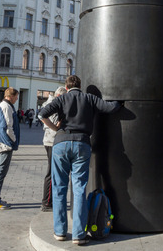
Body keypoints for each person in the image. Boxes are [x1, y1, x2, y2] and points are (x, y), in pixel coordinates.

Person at [38, 75, 123, 245]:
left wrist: (55, 127)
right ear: (80, 86)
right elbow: (110, 108)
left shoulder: (62, 99)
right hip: (82, 144)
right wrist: (120, 102)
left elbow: (42, 114)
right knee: (79, 189)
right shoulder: (89, 98)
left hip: (61, 144)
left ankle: (60, 232)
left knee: (59, 188)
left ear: (67, 87)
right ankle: (78, 234)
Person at [0, 87, 21, 210]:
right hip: (4, 144)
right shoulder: (7, 107)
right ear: (10, 96)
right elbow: (8, 127)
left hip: (0, 143)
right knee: (0, 172)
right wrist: (13, 140)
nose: (17, 99)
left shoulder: (1, 105)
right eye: (16, 96)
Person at [40, 86, 66, 212]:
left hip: (48, 140)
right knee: (52, 172)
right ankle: (47, 202)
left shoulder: (48, 102)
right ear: (60, 96)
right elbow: (53, 122)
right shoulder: (55, 105)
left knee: (52, 171)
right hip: (52, 140)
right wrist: (58, 127)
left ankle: (48, 201)